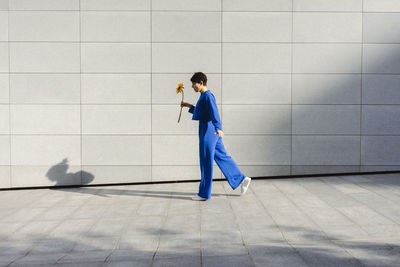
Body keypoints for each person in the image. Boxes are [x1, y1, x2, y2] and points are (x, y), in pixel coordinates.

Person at [181, 72, 251, 201]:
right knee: (221, 156)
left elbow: (214, 112)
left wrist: (219, 128)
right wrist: (189, 106)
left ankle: (203, 194)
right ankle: (241, 179)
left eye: (193, 84)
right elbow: (203, 112)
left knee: (205, 161)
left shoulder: (207, 96)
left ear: (201, 83)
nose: (192, 86)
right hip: (210, 131)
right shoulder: (204, 95)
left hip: (209, 132)